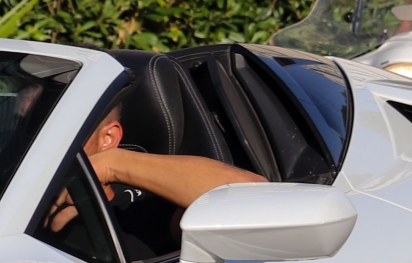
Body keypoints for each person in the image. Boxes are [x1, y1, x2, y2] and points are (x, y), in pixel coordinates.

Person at [47, 100, 262, 237]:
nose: (32, 142)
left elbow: (255, 197)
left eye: (54, 131)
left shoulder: (140, 210)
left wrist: (111, 164)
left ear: (107, 138)